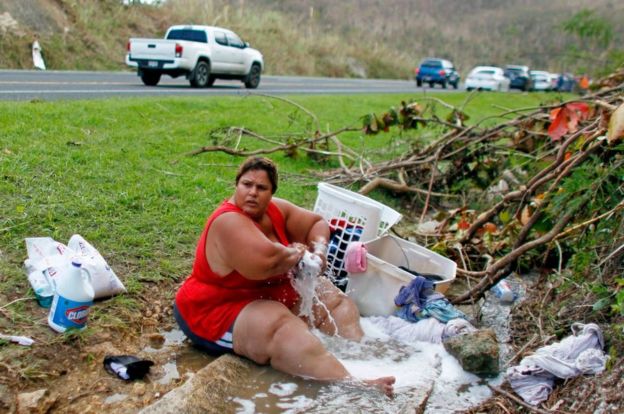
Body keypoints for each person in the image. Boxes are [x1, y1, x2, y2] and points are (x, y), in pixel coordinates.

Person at [174, 156, 395, 396]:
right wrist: (298, 252)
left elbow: (317, 223)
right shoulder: (227, 221)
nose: (253, 193)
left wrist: (319, 253)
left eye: (261, 188)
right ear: (236, 185)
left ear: (271, 192)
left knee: (334, 300)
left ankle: (360, 354)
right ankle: (351, 383)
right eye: (246, 185)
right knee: (282, 328)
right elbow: (266, 261)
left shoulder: (276, 210)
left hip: (267, 291)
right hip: (216, 308)